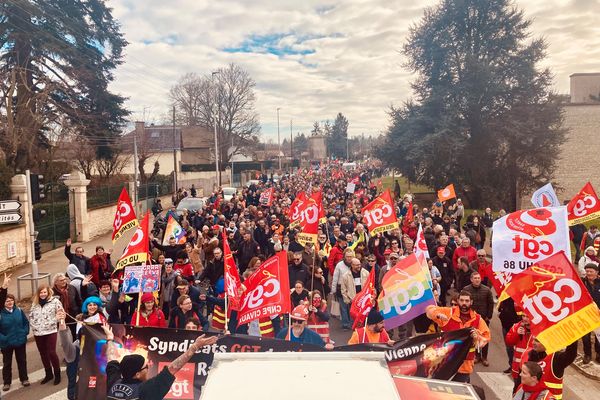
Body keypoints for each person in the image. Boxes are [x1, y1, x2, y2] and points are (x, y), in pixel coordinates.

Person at [104, 323, 218, 400]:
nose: (148, 367)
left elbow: (111, 358)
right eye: (146, 367)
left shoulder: (114, 382)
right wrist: (194, 348)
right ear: (137, 374)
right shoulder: (146, 390)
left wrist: (109, 338)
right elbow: (173, 368)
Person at [425, 290, 491, 383]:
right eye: (462, 300)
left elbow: (486, 337)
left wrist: (477, 338)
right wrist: (437, 315)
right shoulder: (449, 313)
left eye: (467, 301)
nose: (464, 303)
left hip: (465, 364)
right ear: (458, 301)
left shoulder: (478, 319)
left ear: (471, 302)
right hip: (446, 362)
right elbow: (429, 310)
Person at [29, 284, 64, 385]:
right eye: (41, 292)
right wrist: (34, 327)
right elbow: (31, 316)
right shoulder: (34, 304)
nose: (43, 294)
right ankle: (48, 374)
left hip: (50, 331)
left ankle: (57, 374)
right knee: (43, 353)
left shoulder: (55, 302)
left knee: (51, 352)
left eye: (44, 292)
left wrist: (55, 321)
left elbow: (61, 314)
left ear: (48, 292)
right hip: (38, 332)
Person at [0, 285, 30, 391]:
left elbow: (26, 323)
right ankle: (7, 382)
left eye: (11, 300)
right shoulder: (1, 313)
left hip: (20, 341)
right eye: (7, 301)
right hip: (7, 343)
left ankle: (24, 379)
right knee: (7, 363)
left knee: (22, 360)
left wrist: (25, 332)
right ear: (3, 302)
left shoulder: (19, 311)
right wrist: (4, 339)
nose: (10, 302)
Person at [463, 272, 494, 366]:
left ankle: (484, 357)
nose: (477, 280)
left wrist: (489, 316)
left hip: (484, 319)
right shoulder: (466, 289)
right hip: (471, 319)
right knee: (473, 338)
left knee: (484, 338)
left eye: (478, 278)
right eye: (475, 278)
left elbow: (491, 303)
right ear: (471, 279)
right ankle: (476, 356)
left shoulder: (487, 290)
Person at [505, 313, 533, 392]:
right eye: (523, 316)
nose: (524, 318)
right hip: (517, 368)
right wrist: (516, 334)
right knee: (517, 390)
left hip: (531, 370)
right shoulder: (516, 326)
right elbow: (509, 341)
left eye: (527, 316)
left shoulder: (538, 330)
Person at [56, 309, 80, 400]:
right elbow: (65, 341)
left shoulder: (98, 349)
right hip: (76, 394)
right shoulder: (74, 349)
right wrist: (62, 323)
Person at [581, 263, 600, 364]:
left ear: (596, 272)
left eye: (591, 271)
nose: (588, 273)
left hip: (598, 314)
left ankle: (598, 353)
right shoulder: (581, 282)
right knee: (585, 337)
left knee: (598, 336)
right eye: (587, 271)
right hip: (585, 314)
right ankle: (587, 354)